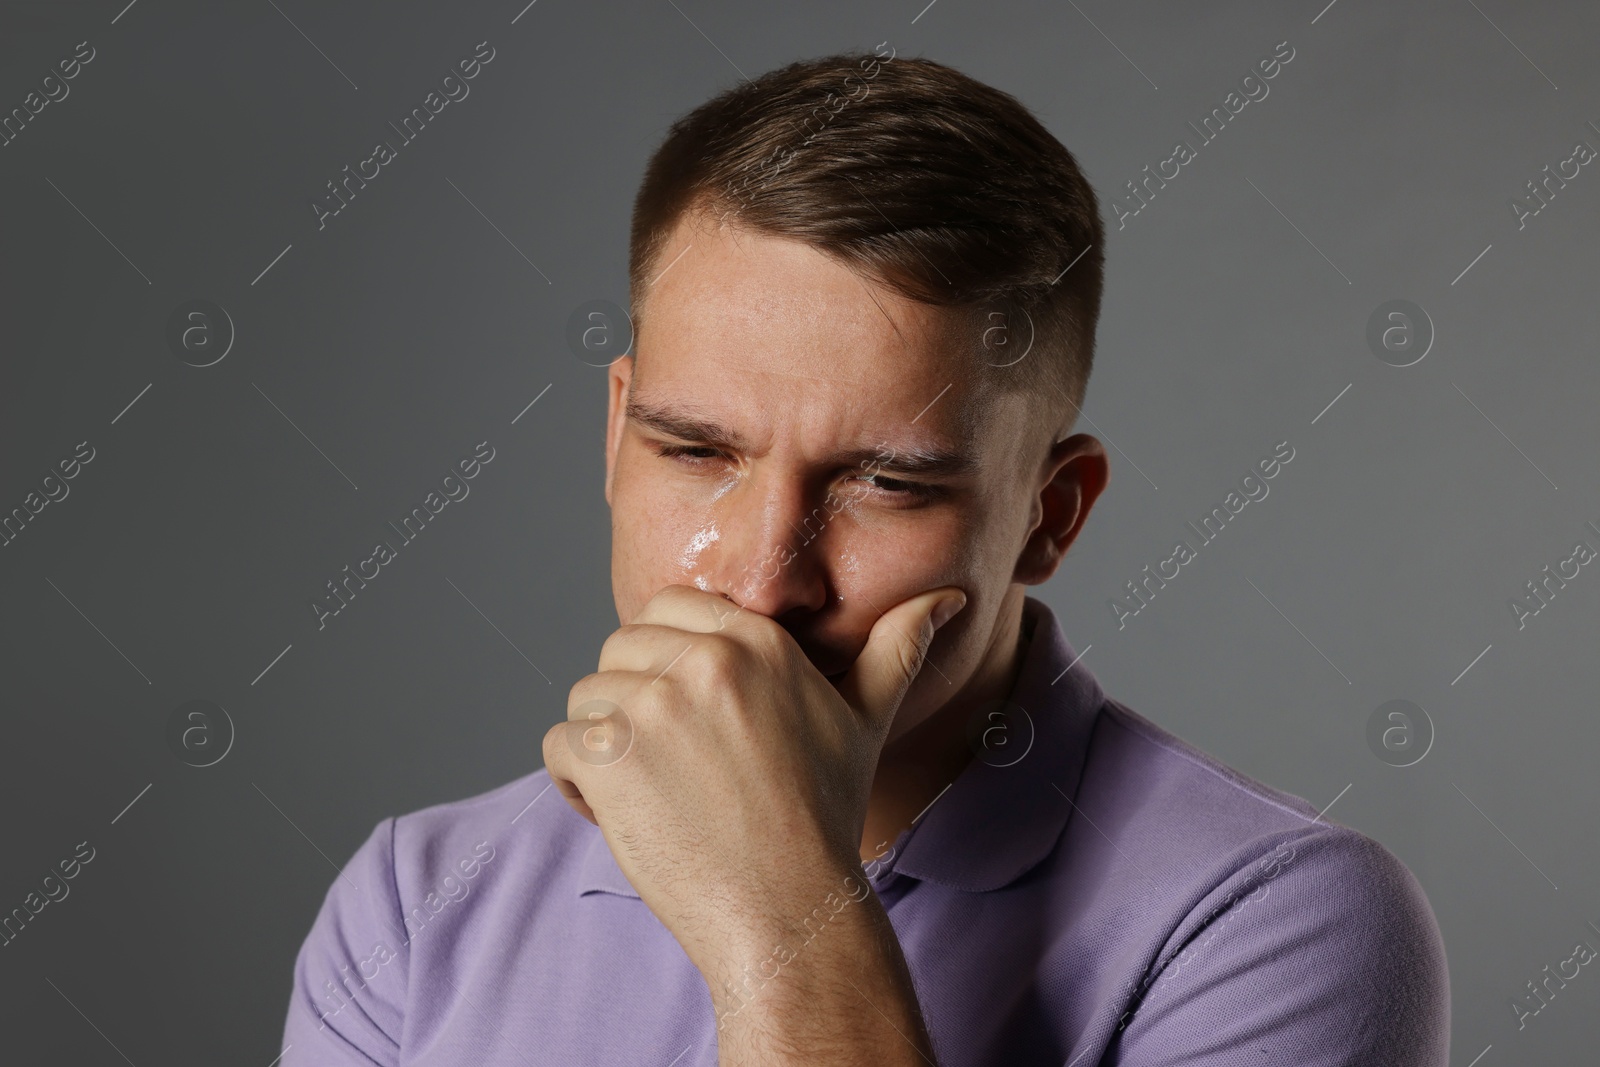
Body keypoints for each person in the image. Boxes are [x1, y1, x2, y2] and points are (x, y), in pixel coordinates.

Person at [281, 48, 1450, 1066]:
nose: (759, 577)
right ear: (614, 431)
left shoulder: (1279, 918)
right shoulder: (415, 899)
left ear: (1051, 512)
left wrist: (781, 909)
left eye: (886, 483)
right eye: (695, 449)